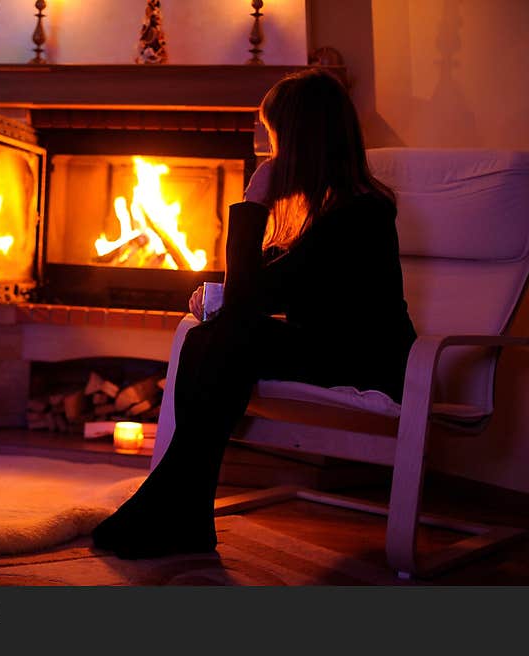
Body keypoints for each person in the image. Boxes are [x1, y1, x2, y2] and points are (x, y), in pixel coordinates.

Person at [91, 68, 417, 559]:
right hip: (325, 348)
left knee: (231, 337)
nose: (270, 154)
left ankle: (171, 506)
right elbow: (259, 288)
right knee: (210, 338)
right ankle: (187, 513)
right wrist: (214, 294)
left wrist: (253, 204)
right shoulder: (324, 211)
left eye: (275, 140)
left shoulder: (360, 215)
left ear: (303, 142)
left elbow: (254, 298)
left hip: (369, 362)